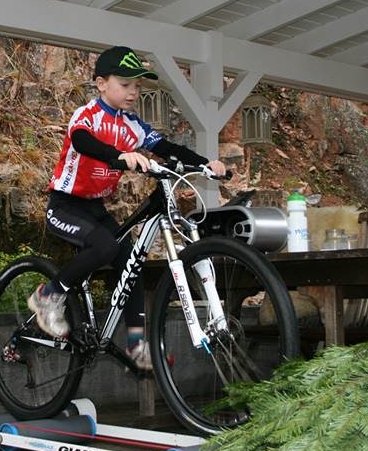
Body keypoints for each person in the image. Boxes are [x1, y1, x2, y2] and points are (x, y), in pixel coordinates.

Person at [29, 46, 227, 370]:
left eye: (137, 85)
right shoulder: (87, 115)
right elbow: (82, 141)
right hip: (65, 206)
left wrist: (207, 164)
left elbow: (166, 147)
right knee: (106, 246)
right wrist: (117, 156)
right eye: (125, 83)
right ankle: (47, 296)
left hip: (95, 209)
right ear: (101, 83)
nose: (133, 91)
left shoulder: (132, 125)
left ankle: (137, 344)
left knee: (130, 261)